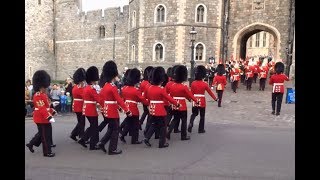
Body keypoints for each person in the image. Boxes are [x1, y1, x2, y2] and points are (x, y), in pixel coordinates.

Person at [97, 60, 132, 155]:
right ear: (113, 75)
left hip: (107, 110)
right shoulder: (112, 87)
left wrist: (107, 108)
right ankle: (112, 149)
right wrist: (127, 110)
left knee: (112, 128)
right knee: (115, 129)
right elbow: (119, 100)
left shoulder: (105, 86)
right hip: (112, 112)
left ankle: (102, 142)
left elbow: (102, 99)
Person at [143, 66, 180, 148]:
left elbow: (146, 97)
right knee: (163, 126)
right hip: (160, 110)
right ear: (161, 79)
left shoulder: (150, 87)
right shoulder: (161, 89)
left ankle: (147, 137)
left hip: (152, 109)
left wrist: (149, 104)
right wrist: (176, 103)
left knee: (154, 124)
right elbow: (168, 98)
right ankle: (162, 143)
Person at [26, 70, 56, 157]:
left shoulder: (43, 94)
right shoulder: (38, 95)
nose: (46, 88)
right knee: (45, 136)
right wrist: (49, 117)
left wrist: (52, 108)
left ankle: (31, 144)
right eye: (44, 87)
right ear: (40, 86)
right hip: (41, 118)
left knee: (42, 134)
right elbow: (42, 108)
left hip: (44, 117)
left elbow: (46, 106)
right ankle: (47, 152)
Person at [166, 65, 198, 141]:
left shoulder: (172, 85)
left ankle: (168, 131)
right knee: (184, 120)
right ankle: (183, 136)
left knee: (175, 119)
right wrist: (196, 101)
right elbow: (190, 95)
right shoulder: (184, 87)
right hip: (182, 105)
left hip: (174, 104)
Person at [120, 68, 149, 144]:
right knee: (135, 125)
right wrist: (148, 102)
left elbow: (123, 98)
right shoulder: (135, 90)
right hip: (133, 109)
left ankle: (122, 135)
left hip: (127, 107)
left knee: (129, 123)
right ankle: (134, 140)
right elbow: (141, 99)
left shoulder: (124, 88)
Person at [188, 65, 218, 133]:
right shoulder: (205, 84)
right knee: (202, 116)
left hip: (195, 100)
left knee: (194, 113)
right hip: (202, 100)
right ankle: (201, 129)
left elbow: (191, 92)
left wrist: (190, 99)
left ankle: (191, 123)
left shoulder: (193, 83)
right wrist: (215, 99)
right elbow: (210, 92)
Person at [77, 66, 101, 150]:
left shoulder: (86, 88)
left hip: (86, 109)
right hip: (91, 109)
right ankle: (92, 145)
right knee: (94, 127)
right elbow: (98, 99)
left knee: (92, 126)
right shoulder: (91, 88)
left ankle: (83, 139)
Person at [70, 68, 86, 142]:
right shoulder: (79, 88)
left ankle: (79, 135)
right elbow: (84, 96)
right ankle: (76, 134)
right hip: (80, 106)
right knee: (81, 122)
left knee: (80, 121)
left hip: (76, 105)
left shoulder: (75, 87)